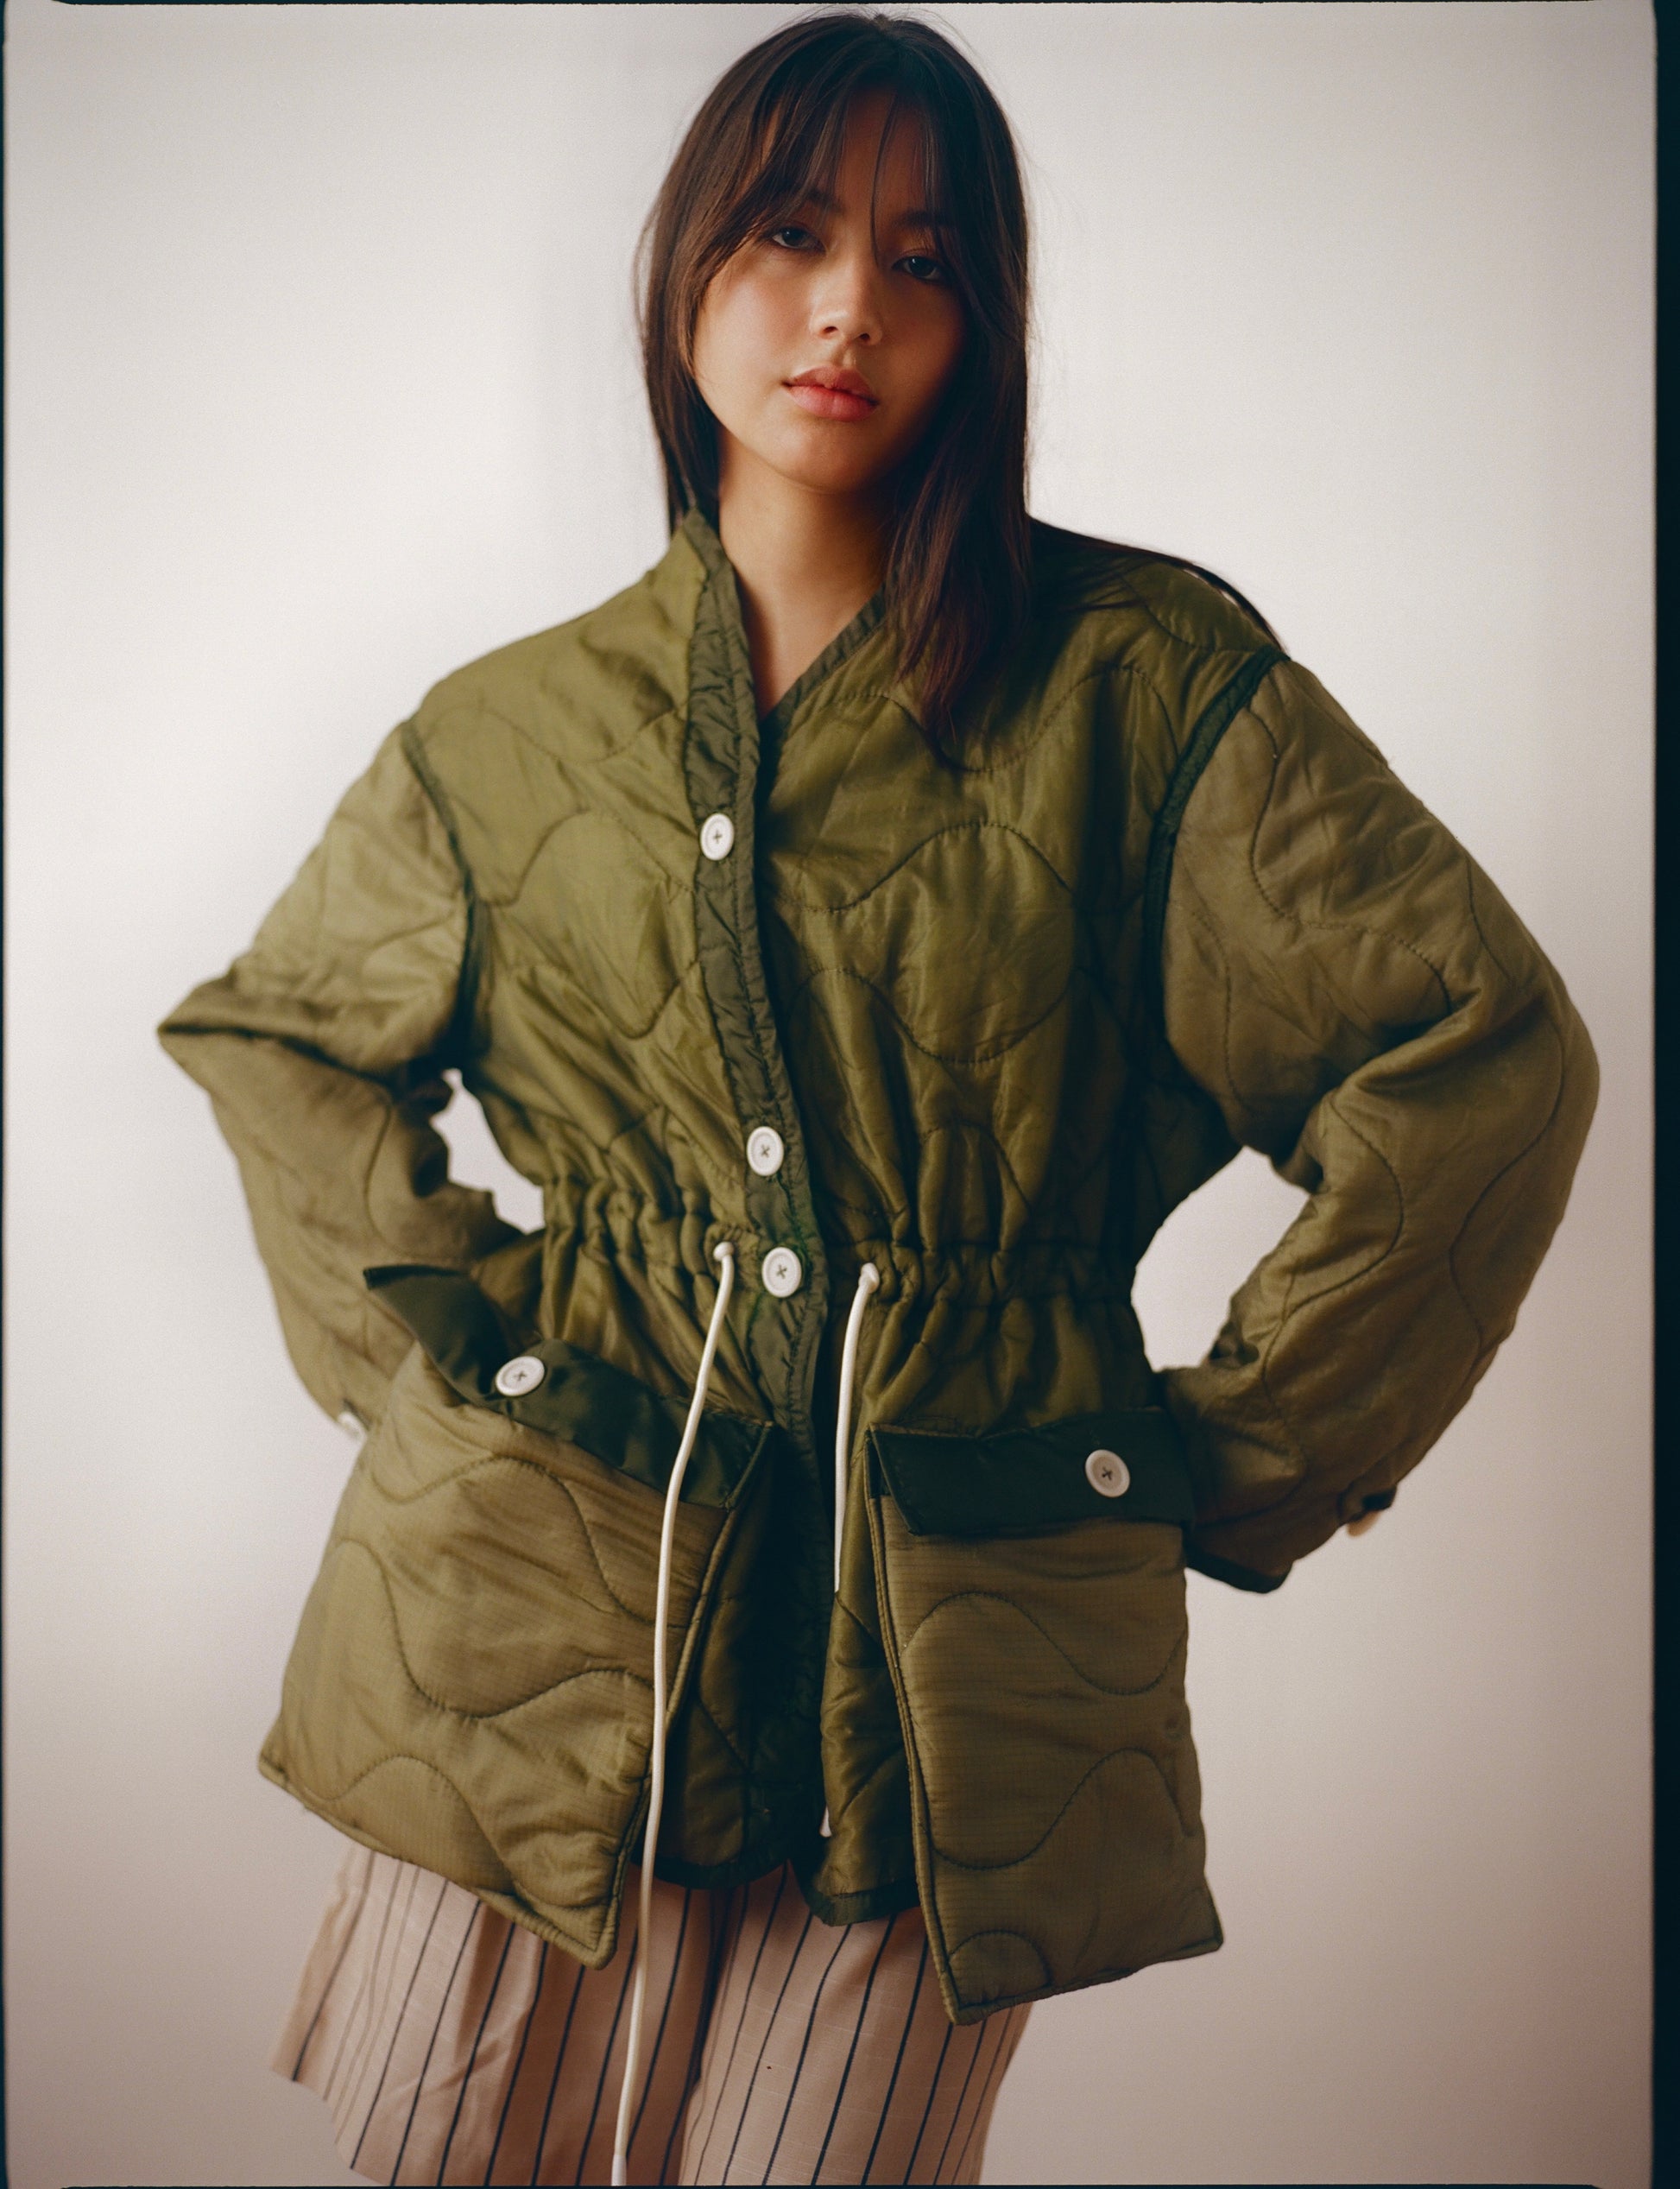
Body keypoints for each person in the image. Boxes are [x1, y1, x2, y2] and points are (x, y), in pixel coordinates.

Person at [158, 11, 1599, 2186]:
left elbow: (1481, 1057)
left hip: (957, 1654)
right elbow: (276, 1034)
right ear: (684, 268)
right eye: (788, 233)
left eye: (922, 260)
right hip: (534, 1626)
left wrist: (1237, 1459)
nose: (848, 306)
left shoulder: (1142, 687)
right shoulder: (505, 732)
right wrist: (436, 1367)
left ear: (984, 319)